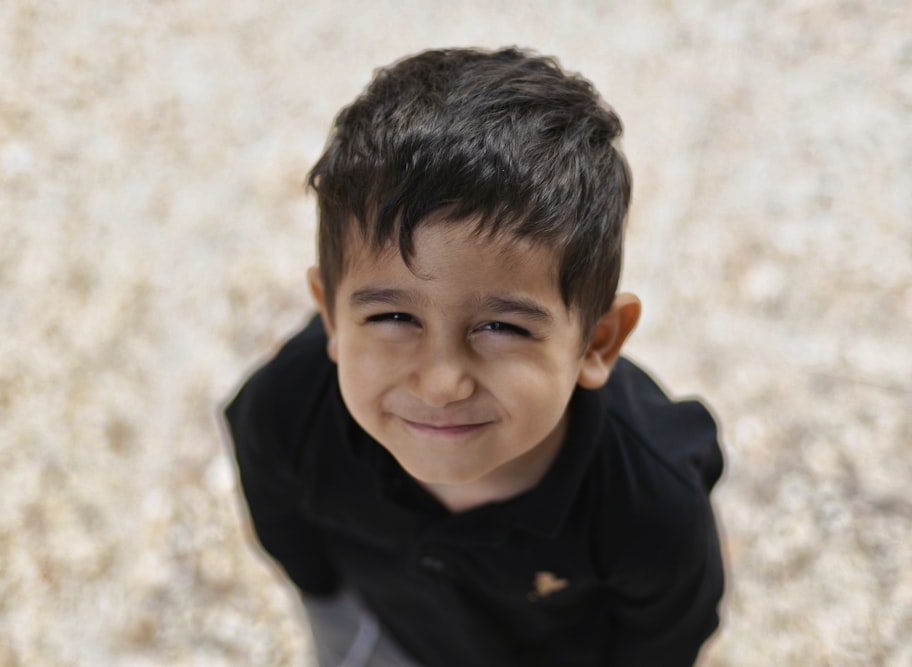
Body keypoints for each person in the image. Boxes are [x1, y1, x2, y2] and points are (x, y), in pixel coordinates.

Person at [224, 47, 724, 666]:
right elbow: (275, 503)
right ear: (329, 315)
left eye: (501, 327)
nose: (441, 382)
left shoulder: (647, 503)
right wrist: (326, 601)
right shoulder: (289, 407)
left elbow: (664, 636)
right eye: (394, 317)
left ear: (597, 343)